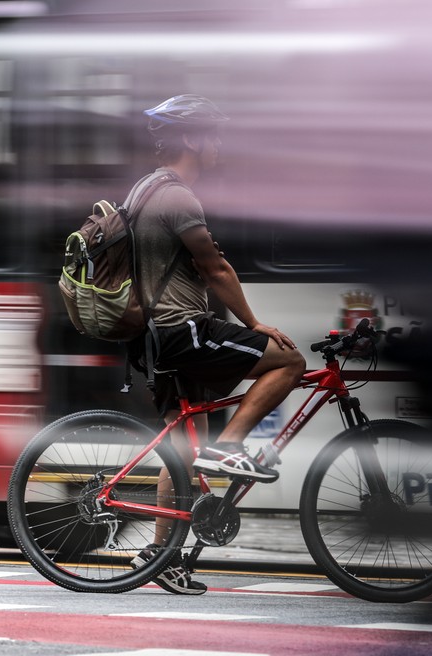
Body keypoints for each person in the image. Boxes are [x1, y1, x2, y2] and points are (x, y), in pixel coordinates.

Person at [128, 95, 306, 594]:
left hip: (154, 340)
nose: (219, 144)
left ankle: (163, 557)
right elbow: (216, 269)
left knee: (182, 452)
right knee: (289, 361)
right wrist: (256, 324)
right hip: (183, 330)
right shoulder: (178, 196)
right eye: (214, 134)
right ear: (190, 138)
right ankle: (229, 448)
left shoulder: (144, 189)